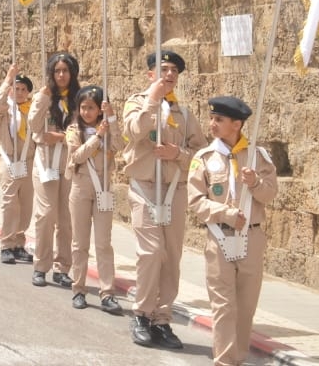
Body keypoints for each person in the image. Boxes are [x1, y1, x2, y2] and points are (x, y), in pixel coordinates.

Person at [122, 49, 206, 350]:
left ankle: (162, 319)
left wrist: (179, 154)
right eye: (165, 69)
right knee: (151, 252)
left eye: (174, 71)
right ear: (151, 73)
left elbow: (201, 156)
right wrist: (153, 100)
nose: (170, 75)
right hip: (145, 187)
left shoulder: (184, 113)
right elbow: (135, 131)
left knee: (171, 257)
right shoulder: (136, 103)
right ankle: (142, 315)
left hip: (174, 191)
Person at [189, 95, 279, 366]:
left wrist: (255, 183)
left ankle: (238, 358)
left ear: (237, 124)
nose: (212, 123)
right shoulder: (204, 158)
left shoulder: (258, 157)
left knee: (246, 306)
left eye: (219, 119)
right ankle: (225, 361)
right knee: (223, 305)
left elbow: (270, 194)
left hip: (251, 237)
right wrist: (225, 213)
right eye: (212, 118)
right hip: (220, 237)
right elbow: (195, 201)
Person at [67, 84, 121, 313]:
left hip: (103, 190)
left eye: (92, 108)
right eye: (83, 107)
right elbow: (78, 155)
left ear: (100, 109)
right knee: (80, 243)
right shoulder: (73, 130)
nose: (87, 112)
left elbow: (120, 145)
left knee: (103, 243)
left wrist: (113, 120)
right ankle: (78, 288)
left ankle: (107, 292)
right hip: (81, 188)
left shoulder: (108, 129)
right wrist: (97, 136)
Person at [28, 51, 79, 287]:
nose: (61, 75)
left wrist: (58, 136)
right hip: (46, 163)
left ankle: (63, 267)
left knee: (66, 219)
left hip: (67, 164)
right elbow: (34, 126)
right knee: (46, 215)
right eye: (57, 71)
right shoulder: (45, 96)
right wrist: (43, 98)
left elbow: (78, 132)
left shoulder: (78, 98)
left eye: (65, 70)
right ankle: (41, 265)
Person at [0, 64, 35, 266]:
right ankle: (7, 245)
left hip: (28, 160)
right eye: (16, 89)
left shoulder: (32, 109)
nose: (19, 92)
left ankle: (19, 242)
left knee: (25, 204)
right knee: (10, 203)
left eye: (23, 89)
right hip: (9, 158)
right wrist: (9, 78)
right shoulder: (5, 109)